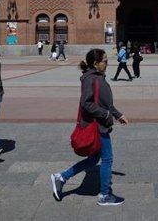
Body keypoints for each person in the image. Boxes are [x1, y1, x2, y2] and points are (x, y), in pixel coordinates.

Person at [51, 48, 129, 206]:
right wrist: (106, 115)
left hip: (100, 123)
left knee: (94, 159)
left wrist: (117, 114)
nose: (107, 64)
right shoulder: (91, 79)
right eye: (105, 61)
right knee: (107, 159)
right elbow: (86, 103)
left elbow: (105, 103)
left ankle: (61, 177)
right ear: (95, 63)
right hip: (97, 126)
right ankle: (105, 195)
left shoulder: (98, 77)